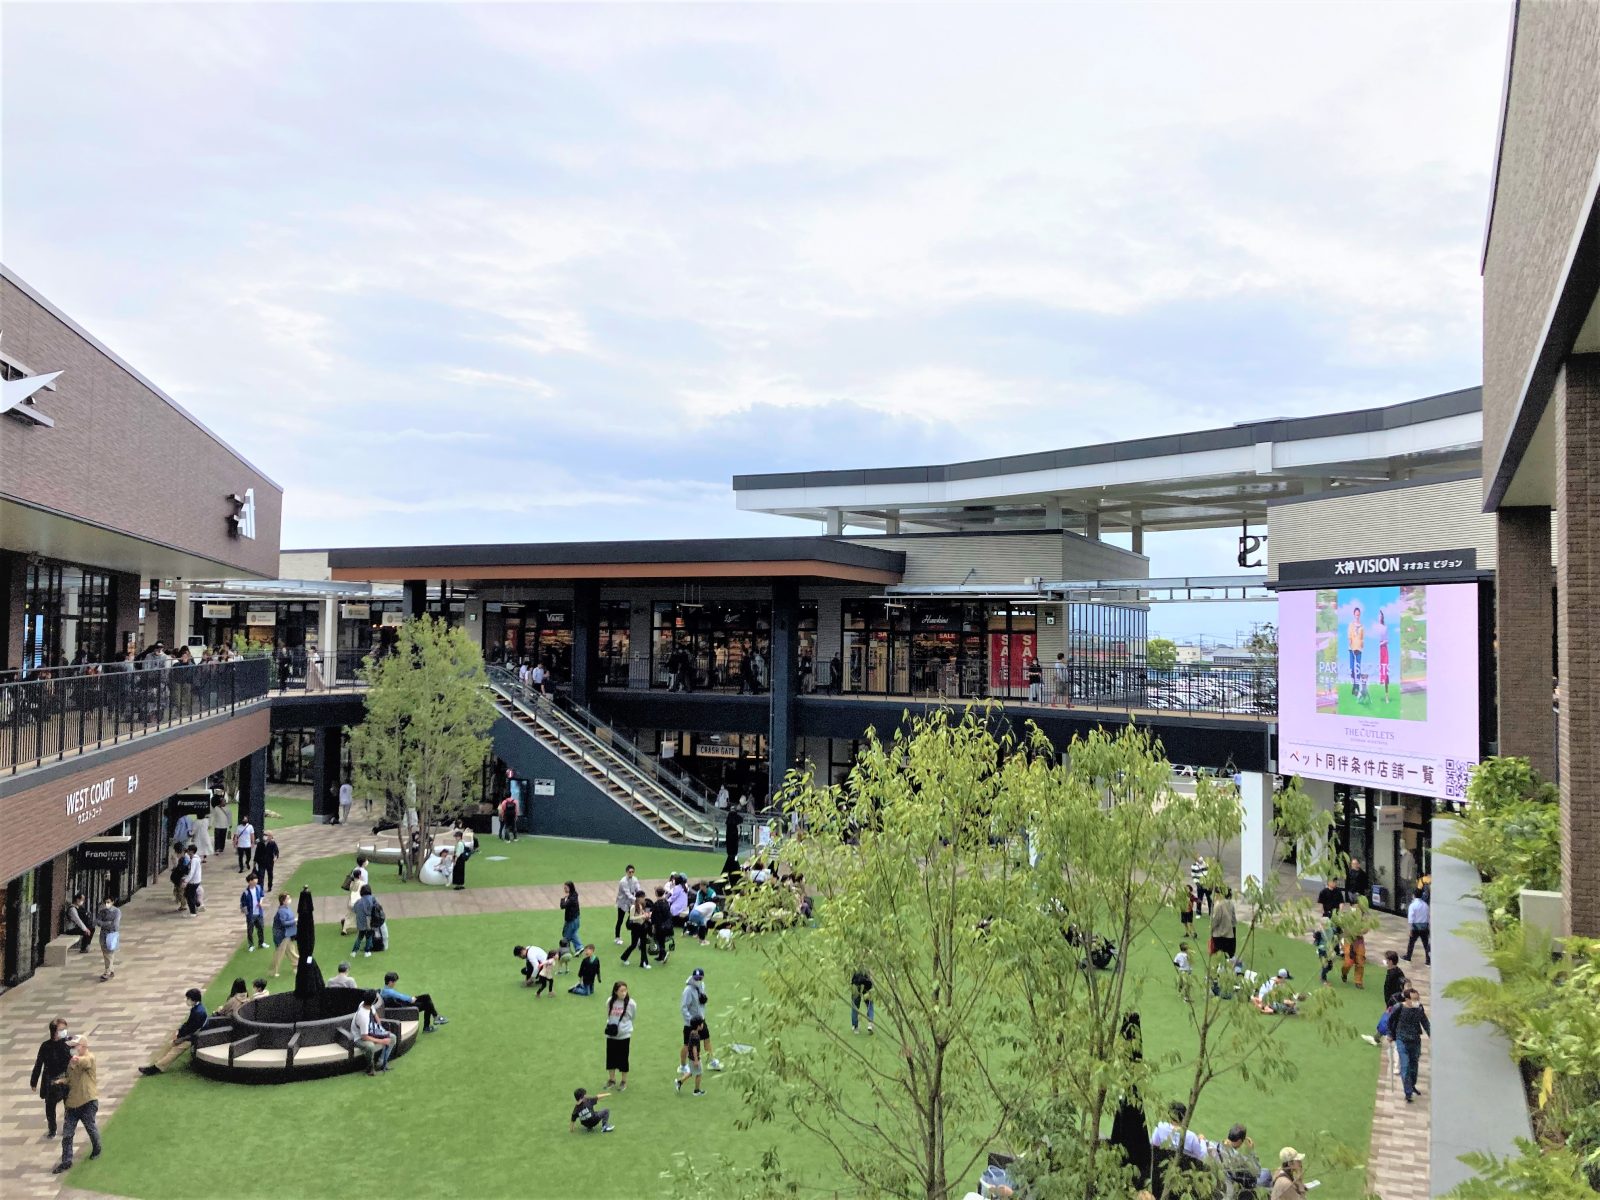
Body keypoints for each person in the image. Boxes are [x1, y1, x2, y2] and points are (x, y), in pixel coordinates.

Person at [52, 1035, 101, 1174]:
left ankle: (97, 1149)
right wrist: (62, 1081)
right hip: (72, 1104)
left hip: (87, 1101)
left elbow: (87, 1062)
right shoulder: (71, 1062)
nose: (73, 1049)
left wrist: (77, 1059)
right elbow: (70, 1079)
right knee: (67, 1134)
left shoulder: (89, 1057)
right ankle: (66, 1161)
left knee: (90, 1127)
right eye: (72, 1047)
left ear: (83, 1046)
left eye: (75, 1046)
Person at [140, 987, 208, 1074]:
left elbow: (192, 1030)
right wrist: (179, 1032)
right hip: (188, 1035)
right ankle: (157, 1063)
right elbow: (188, 1025)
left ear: (193, 999)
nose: (187, 1000)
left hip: (193, 1037)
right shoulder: (197, 1008)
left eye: (188, 998)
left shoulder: (198, 1012)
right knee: (170, 1045)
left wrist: (180, 1038)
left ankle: (157, 1067)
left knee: (174, 1051)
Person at [30, 1018, 73, 1139]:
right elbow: (39, 1064)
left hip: (66, 1078)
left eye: (65, 1029)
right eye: (61, 1030)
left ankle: (67, 1127)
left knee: (68, 1105)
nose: (64, 1032)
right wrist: (34, 1081)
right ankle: (52, 1129)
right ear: (54, 1032)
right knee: (50, 1106)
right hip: (51, 1080)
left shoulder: (68, 1043)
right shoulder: (45, 1046)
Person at [1389, 987, 1432, 1103]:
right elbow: (1390, 1021)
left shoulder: (1419, 1008)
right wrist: (1389, 1034)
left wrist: (1431, 1034)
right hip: (1402, 1039)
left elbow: (1425, 1022)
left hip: (1415, 1040)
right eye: (1414, 999)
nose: (1416, 1001)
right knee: (1405, 1065)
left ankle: (1412, 1085)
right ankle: (1408, 1092)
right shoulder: (1399, 1007)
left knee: (1414, 1065)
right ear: (1407, 999)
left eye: (1418, 999)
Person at [678, 966, 723, 1075]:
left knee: (707, 1040)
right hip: (691, 1023)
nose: (697, 980)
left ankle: (711, 1061)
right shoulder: (688, 990)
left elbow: (702, 1000)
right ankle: (683, 1066)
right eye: (696, 978)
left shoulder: (702, 985)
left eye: (700, 978)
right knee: (686, 1045)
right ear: (693, 977)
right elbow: (683, 1007)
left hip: (701, 1019)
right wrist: (692, 1021)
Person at [380, 970, 449, 1032]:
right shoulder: (389, 992)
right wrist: (411, 999)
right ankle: (431, 1022)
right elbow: (400, 996)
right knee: (427, 1002)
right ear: (390, 982)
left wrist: (410, 999)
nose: (395, 983)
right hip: (404, 1008)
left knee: (426, 998)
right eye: (394, 981)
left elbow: (399, 996)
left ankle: (434, 1018)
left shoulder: (384, 991)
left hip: (403, 1004)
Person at [1214, 1124, 1272, 1192]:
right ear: (1239, 1141)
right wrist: (1251, 1151)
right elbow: (1257, 1171)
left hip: (1227, 1177)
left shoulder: (1216, 1146)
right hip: (1243, 1183)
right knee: (1266, 1173)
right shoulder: (1239, 1158)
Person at [349, 991, 395, 1075]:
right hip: (358, 1037)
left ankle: (380, 1063)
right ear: (373, 1001)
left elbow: (375, 1014)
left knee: (392, 1037)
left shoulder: (366, 1004)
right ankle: (370, 1068)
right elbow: (364, 1037)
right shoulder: (363, 1017)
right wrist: (382, 1041)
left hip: (371, 1030)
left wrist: (381, 1031)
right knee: (370, 1046)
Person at [604, 981, 637, 1089]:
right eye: (621, 991)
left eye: (625, 990)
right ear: (615, 991)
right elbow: (608, 1015)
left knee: (623, 1058)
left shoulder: (631, 1003)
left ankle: (623, 1081)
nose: (624, 993)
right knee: (611, 1058)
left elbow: (632, 1017)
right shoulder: (610, 1001)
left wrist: (623, 1027)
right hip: (612, 1035)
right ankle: (612, 1079)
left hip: (624, 1035)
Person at [677, 1016, 708, 1096]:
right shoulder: (696, 1036)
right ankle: (696, 1091)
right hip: (694, 1058)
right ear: (698, 1026)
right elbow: (694, 1049)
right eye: (701, 1024)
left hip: (691, 1057)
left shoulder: (692, 1033)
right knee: (699, 1073)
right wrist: (696, 1060)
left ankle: (680, 1082)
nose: (702, 1025)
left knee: (691, 1072)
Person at [621, 895, 654, 969]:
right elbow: (631, 918)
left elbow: (642, 914)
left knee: (643, 945)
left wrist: (646, 915)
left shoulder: (642, 905)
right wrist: (641, 916)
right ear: (638, 898)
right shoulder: (633, 907)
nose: (644, 899)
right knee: (633, 945)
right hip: (635, 927)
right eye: (642, 897)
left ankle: (644, 963)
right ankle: (624, 957)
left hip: (642, 927)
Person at [271, 891, 299, 977]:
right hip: (282, 935)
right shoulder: (282, 911)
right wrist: (294, 921)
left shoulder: (287, 908)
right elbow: (283, 923)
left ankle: (297, 966)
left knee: (291, 950)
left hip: (288, 934)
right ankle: (273, 971)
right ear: (283, 901)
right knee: (280, 953)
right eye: (288, 898)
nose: (289, 900)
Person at [614, 865, 644, 944]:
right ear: (626, 872)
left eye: (632, 872)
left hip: (631, 902)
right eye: (630, 872)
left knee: (636, 919)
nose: (631, 873)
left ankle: (637, 938)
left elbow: (638, 889)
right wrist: (637, 900)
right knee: (620, 920)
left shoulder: (635, 879)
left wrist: (641, 896)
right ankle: (617, 938)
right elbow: (628, 894)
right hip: (623, 903)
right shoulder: (623, 881)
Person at [341, 855, 370, 935]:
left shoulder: (354, 870)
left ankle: (345, 927)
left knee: (350, 913)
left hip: (352, 897)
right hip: (359, 897)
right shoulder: (365, 873)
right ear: (364, 863)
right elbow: (365, 886)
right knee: (361, 912)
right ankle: (361, 927)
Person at [1209, 886, 1238, 960]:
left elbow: (1216, 920)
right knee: (1229, 954)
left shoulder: (1219, 905)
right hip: (1229, 933)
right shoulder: (1230, 903)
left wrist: (1211, 928)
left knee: (1220, 955)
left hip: (1219, 934)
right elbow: (1234, 919)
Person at [240, 872, 267, 951]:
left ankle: (261, 943)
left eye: (256, 879)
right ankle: (251, 945)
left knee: (261, 928)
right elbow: (243, 904)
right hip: (251, 914)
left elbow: (262, 895)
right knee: (250, 930)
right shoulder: (246, 893)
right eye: (255, 879)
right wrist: (247, 914)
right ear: (250, 881)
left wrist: (261, 903)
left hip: (259, 912)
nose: (256, 881)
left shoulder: (258, 888)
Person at [96, 897, 120, 980]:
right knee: (106, 953)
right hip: (103, 934)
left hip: (112, 934)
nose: (107, 904)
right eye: (105, 902)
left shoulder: (116, 911)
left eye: (108, 902)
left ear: (113, 902)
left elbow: (115, 924)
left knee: (109, 953)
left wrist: (104, 924)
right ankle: (111, 970)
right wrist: (106, 923)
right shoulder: (102, 912)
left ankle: (108, 972)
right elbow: (98, 922)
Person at [1405, 892, 1431, 964]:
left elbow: (1411, 918)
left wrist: (1410, 929)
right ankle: (1428, 960)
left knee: (1411, 943)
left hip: (1415, 927)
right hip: (1424, 927)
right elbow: (1428, 916)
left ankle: (1408, 957)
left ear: (1414, 895)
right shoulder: (1426, 905)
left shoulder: (1412, 905)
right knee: (1426, 944)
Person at [352, 884, 378, 956]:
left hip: (360, 922)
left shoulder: (358, 901)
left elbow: (354, 910)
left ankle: (354, 951)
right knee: (369, 936)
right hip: (370, 921)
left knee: (360, 937)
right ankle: (367, 951)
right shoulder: (373, 899)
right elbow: (377, 908)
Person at [559, 881, 582, 951]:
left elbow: (563, 906)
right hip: (572, 918)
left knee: (568, 935)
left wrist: (563, 899)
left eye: (566, 888)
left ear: (570, 887)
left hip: (572, 919)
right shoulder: (573, 895)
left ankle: (577, 947)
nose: (564, 890)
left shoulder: (572, 898)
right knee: (568, 933)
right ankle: (578, 948)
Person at [850, 969, 875, 1033]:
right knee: (870, 1004)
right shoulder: (868, 961)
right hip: (867, 983)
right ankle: (870, 1023)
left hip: (856, 982)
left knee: (855, 1006)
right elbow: (871, 972)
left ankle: (855, 1026)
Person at [182, 841, 204, 914]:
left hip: (193, 881)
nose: (187, 852)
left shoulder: (194, 860)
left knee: (190, 897)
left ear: (191, 851)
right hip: (196, 880)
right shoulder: (195, 858)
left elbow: (192, 872)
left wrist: (186, 881)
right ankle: (198, 904)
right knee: (188, 894)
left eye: (188, 850)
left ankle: (193, 912)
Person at [1378, 611, 1391, 700]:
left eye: (1380, 615)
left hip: (1383, 650)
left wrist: (1380, 644)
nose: (1378, 617)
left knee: (1384, 671)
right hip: (1376, 651)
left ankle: (1386, 695)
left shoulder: (1385, 628)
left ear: (1382, 616)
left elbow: (1387, 640)